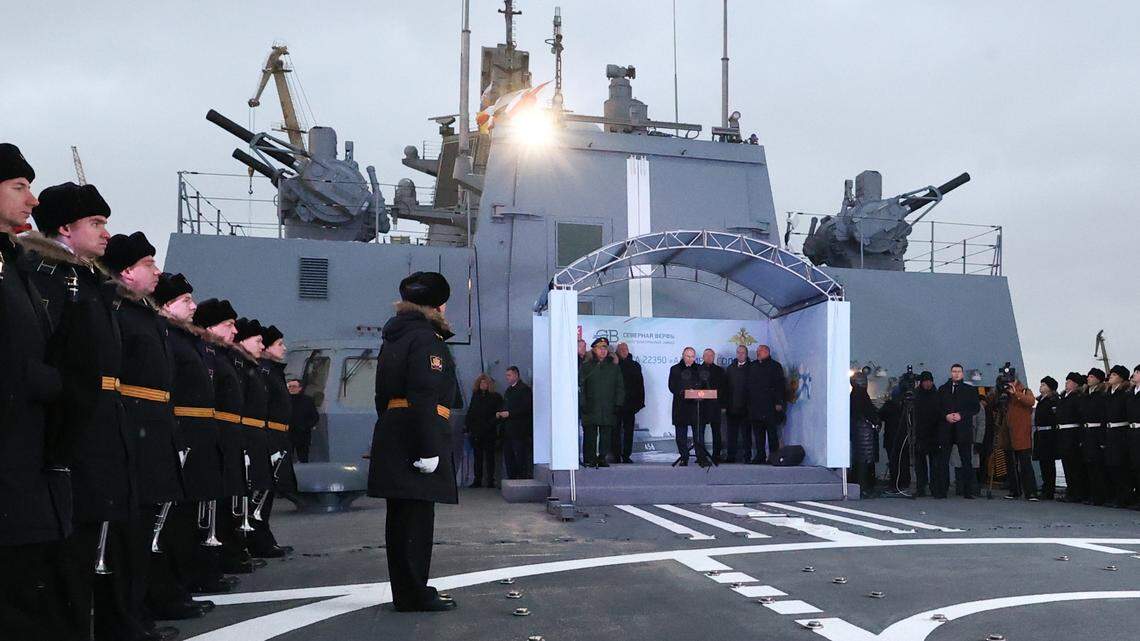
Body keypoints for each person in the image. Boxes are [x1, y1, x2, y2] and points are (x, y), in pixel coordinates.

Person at [22, 182, 154, 640]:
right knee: (70, 549)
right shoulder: (45, 276)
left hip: (101, 422)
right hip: (73, 429)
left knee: (100, 536)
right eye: (96, 223)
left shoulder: (89, 282)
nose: (105, 233)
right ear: (64, 227)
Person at [103, 233, 203, 625]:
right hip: (135, 433)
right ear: (127, 272)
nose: (157, 272)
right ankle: (134, 614)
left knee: (153, 526)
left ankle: (147, 606)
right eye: (149, 264)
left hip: (157, 431)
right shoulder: (121, 314)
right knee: (135, 531)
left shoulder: (145, 319)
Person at [0, 144, 72, 640]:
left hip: (25, 437)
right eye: (19, 187)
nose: (31, 200)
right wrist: (39, 378)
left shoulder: (15, 266)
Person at [367, 271, 459, 612]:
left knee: (400, 520)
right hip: (416, 436)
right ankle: (414, 594)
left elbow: (381, 397)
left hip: (394, 431)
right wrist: (428, 448)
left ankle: (407, 590)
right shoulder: (426, 340)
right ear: (438, 304)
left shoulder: (395, 337)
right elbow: (424, 394)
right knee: (417, 521)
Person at [156, 274, 235, 595]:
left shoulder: (190, 343)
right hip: (183, 434)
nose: (193, 306)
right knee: (178, 515)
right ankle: (180, 581)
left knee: (195, 511)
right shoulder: (171, 338)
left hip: (202, 436)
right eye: (186, 300)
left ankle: (194, 576)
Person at [193, 298, 254, 575]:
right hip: (213, 434)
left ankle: (227, 553)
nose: (234, 331)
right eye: (228, 325)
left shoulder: (221, 356)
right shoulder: (210, 355)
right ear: (210, 326)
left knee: (228, 496)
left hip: (228, 435)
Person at [250, 323, 295, 556]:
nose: (284, 348)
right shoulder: (264, 372)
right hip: (271, 435)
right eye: (279, 344)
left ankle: (263, 536)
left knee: (267, 492)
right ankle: (259, 539)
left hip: (278, 434)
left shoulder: (272, 371)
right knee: (262, 492)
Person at [232, 318, 275, 556]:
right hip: (246, 434)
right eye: (258, 341)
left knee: (261, 489)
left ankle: (255, 540)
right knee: (246, 493)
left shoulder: (252, 368)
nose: (262, 346)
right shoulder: (240, 367)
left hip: (256, 434)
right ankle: (245, 544)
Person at [935, 364, 981, 499]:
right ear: (951, 373)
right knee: (943, 460)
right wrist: (946, 416)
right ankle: (942, 491)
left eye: (959, 372)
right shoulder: (943, 389)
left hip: (963, 430)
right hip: (946, 429)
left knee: (966, 460)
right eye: (954, 371)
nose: (956, 374)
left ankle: (968, 491)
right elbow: (937, 407)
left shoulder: (970, 390)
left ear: (962, 373)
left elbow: (975, 408)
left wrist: (961, 415)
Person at [578, 338, 624, 468]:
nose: (603, 351)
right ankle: (590, 458)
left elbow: (619, 387)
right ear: (594, 350)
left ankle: (602, 457)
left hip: (608, 407)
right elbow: (581, 387)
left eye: (605, 348)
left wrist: (618, 403)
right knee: (590, 434)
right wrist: (583, 403)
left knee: (606, 434)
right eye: (600, 348)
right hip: (591, 406)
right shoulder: (586, 366)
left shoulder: (614, 367)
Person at [996, 378, 1038, 501]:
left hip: (1021, 435)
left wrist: (1016, 393)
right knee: (1010, 465)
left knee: (1025, 465)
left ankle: (1031, 492)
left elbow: (1031, 402)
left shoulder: (1024, 391)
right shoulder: (1004, 394)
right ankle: (1014, 490)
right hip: (1008, 434)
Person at [746, 344, 786, 464]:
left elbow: (780, 386)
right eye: (757, 351)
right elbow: (748, 385)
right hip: (755, 406)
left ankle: (773, 456)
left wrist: (779, 402)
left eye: (761, 351)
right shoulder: (753, 366)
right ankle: (760, 456)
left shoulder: (775, 366)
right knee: (758, 433)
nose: (758, 353)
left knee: (772, 433)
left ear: (767, 352)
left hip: (770, 405)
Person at [1103, 365, 1132, 508]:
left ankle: (1125, 497)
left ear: (1121, 377)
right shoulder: (1109, 393)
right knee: (1112, 465)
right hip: (1110, 432)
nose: (1110, 377)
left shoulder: (1125, 394)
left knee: (1121, 466)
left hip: (1121, 432)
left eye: (1114, 375)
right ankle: (1116, 495)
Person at [1055, 372, 1087, 503]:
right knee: (1067, 464)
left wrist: (1080, 438)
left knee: (1075, 465)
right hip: (1063, 434)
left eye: (1069, 381)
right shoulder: (1063, 397)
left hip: (1072, 433)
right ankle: (1071, 491)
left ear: (1076, 384)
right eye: (1066, 380)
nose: (1066, 383)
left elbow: (1080, 417)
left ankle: (1077, 493)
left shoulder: (1077, 398)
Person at [465, 374, 502, 487]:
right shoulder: (475, 396)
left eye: (485, 383)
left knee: (490, 457)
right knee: (477, 457)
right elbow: (471, 412)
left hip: (489, 432)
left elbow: (497, 415)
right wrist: (467, 426)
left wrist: (489, 424)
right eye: (481, 383)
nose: (483, 385)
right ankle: (477, 480)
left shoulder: (495, 397)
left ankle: (490, 480)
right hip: (476, 432)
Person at [611, 342, 645, 464]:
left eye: (626, 348)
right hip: (616, 405)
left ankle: (626, 455)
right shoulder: (612, 364)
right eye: (621, 349)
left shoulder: (635, 365)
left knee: (629, 431)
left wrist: (640, 402)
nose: (624, 350)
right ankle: (616, 455)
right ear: (617, 351)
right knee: (615, 431)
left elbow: (640, 385)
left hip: (630, 405)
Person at [1079, 368, 1109, 506]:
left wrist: (1102, 439)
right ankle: (1092, 494)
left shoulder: (1101, 396)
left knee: (1098, 466)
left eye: (1092, 376)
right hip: (1087, 433)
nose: (1088, 379)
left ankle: (1100, 496)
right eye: (1088, 376)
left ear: (1098, 379)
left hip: (1096, 432)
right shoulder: (1087, 395)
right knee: (1089, 464)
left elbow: (1103, 417)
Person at [668, 347, 702, 466]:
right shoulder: (675, 369)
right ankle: (684, 457)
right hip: (680, 406)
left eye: (692, 356)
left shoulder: (699, 369)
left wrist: (697, 392)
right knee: (681, 435)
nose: (690, 359)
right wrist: (684, 391)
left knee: (698, 434)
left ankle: (700, 456)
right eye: (688, 356)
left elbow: (704, 385)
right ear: (683, 355)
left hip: (695, 407)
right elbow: (672, 386)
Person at [499, 366, 533, 479]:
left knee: (520, 455)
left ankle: (521, 478)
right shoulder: (509, 390)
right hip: (508, 430)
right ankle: (512, 478)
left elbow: (526, 408)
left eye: (509, 375)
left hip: (519, 430)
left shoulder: (524, 390)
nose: (507, 378)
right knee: (509, 456)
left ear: (516, 375)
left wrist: (510, 414)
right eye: (506, 376)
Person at [850, 371, 880, 498]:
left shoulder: (853, 396)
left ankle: (860, 487)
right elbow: (869, 412)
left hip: (858, 432)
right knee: (865, 461)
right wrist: (876, 421)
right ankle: (864, 487)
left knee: (860, 460)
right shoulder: (862, 396)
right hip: (865, 431)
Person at [722, 345, 752, 463]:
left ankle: (747, 457)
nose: (740, 354)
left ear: (746, 354)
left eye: (743, 352)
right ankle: (731, 457)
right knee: (731, 434)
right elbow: (726, 388)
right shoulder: (730, 368)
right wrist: (725, 405)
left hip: (747, 408)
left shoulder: (752, 368)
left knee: (746, 435)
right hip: (732, 407)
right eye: (738, 352)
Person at [913, 371, 941, 497]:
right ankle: (921, 487)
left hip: (934, 434)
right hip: (920, 434)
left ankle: (934, 487)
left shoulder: (936, 395)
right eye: (925, 381)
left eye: (929, 381)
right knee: (920, 465)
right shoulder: (917, 396)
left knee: (935, 465)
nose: (927, 384)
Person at [1033, 376, 1061, 500]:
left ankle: (1049, 490)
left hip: (1049, 435)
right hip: (1041, 434)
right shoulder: (1042, 401)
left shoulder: (1053, 401)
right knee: (1043, 463)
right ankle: (1046, 487)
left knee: (1048, 464)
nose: (1041, 386)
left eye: (1044, 384)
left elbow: (1054, 418)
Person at [696, 348, 726, 463]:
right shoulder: (697, 369)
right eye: (707, 356)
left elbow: (724, 389)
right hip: (701, 406)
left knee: (716, 431)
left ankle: (716, 455)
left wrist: (723, 405)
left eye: (711, 356)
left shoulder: (720, 371)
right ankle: (701, 456)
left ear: (714, 357)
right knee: (700, 431)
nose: (709, 358)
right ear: (703, 357)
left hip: (715, 406)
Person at [288, 378, 319, 463]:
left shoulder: (307, 401)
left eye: (294, 386)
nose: (291, 388)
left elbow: (315, 417)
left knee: (303, 458)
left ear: (300, 388)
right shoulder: (284, 401)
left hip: (303, 435)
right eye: (289, 386)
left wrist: (305, 426)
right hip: (287, 435)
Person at [1128, 366, 1140, 509]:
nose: (1134, 375)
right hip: (1132, 432)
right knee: (1135, 465)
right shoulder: (1131, 394)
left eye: (1137, 372)